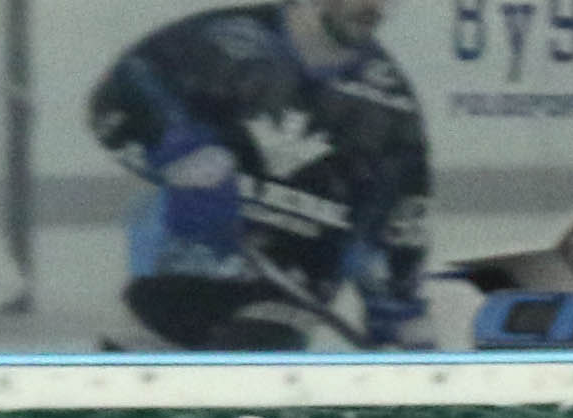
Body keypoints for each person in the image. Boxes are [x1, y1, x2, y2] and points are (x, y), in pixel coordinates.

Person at [87, 0, 431, 350]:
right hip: (174, 274)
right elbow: (118, 96)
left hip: (285, 295)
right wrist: (181, 152)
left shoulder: (392, 104)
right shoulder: (223, 41)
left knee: (248, 367)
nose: (374, 6)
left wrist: (399, 315)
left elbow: (400, 224)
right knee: (121, 382)